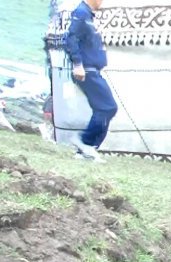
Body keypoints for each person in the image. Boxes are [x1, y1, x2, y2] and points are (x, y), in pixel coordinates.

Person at [64, 0, 116, 162]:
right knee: (107, 107)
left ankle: (85, 151)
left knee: (104, 108)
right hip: (87, 71)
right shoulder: (81, 13)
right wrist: (77, 64)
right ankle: (85, 142)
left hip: (92, 70)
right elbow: (71, 38)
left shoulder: (88, 15)